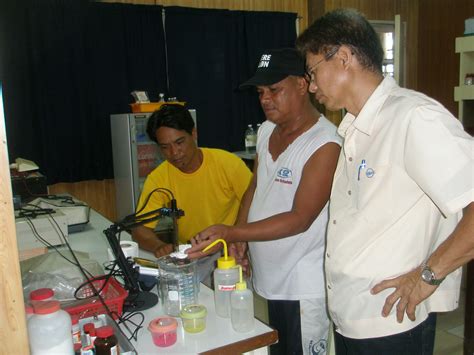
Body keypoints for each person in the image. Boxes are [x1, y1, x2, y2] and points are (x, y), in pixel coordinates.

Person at [296, 8, 474, 354]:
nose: (312, 86)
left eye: (313, 72)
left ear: (344, 57)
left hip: (391, 322)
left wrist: (428, 275)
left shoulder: (413, 117)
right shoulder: (354, 127)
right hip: (352, 316)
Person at [187, 48, 342, 355]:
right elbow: (255, 187)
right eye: (260, 92)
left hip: (303, 285)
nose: (265, 99)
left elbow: (301, 218)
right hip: (271, 276)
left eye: (275, 90)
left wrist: (231, 233)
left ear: (302, 84)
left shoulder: (326, 144)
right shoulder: (266, 130)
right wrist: (240, 237)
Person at [131, 103, 252, 281]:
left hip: (231, 247)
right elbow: (140, 229)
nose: (174, 153)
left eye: (179, 142)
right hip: (193, 254)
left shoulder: (228, 164)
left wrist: (239, 238)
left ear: (194, 134)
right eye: (165, 147)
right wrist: (159, 246)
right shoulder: (158, 178)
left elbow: (257, 204)